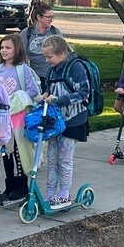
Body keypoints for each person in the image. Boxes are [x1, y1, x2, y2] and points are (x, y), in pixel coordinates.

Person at [38, 35, 92, 204]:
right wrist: (45, 95)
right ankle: (50, 192)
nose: (47, 60)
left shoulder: (75, 67)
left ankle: (64, 193)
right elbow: (49, 88)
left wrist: (59, 100)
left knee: (65, 160)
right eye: (45, 57)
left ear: (61, 53)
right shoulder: (52, 69)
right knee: (52, 159)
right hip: (55, 121)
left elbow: (84, 93)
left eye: (50, 57)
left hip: (73, 120)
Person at [0, 33, 40, 206]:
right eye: (2, 47)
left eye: (8, 47)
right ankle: (10, 184)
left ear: (17, 49)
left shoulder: (23, 69)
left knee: (19, 151)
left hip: (19, 119)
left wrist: (17, 99)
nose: (4, 51)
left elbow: (33, 90)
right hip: (2, 118)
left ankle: (21, 186)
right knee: (5, 151)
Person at [21, 1, 63, 86]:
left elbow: (63, 53)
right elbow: (21, 54)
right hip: (31, 76)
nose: (51, 20)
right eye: (48, 17)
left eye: (52, 17)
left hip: (51, 75)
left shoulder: (55, 32)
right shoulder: (26, 33)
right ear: (39, 17)